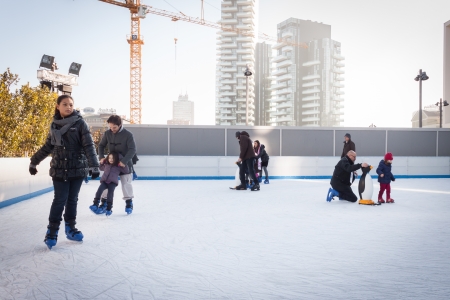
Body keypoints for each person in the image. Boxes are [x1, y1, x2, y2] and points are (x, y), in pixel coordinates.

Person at [29, 95, 100, 249]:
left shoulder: (81, 124)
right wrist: (34, 162)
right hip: (59, 168)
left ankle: (70, 229)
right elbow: (48, 146)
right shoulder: (54, 125)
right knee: (60, 199)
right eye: (65, 104)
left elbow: (89, 145)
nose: (68, 107)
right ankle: (52, 231)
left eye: (71, 104)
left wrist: (94, 166)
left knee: (72, 200)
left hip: (77, 169)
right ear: (58, 106)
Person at [98, 115, 136, 214]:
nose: (112, 129)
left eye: (114, 127)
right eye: (110, 127)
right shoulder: (107, 133)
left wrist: (124, 161)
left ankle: (129, 203)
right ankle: (104, 203)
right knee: (107, 182)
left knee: (126, 184)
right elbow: (101, 146)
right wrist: (101, 157)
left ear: (120, 125)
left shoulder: (128, 135)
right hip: (111, 163)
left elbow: (132, 149)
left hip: (125, 163)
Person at [89, 152, 129, 216]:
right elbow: (101, 168)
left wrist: (124, 165)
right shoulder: (106, 164)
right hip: (104, 181)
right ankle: (95, 204)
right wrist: (101, 163)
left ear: (116, 159)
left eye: (113, 158)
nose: (111, 159)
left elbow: (126, 171)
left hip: (112, 183)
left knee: (110, 195)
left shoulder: (118, 166)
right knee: (99, 191)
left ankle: (109, 208)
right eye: (109, 158)